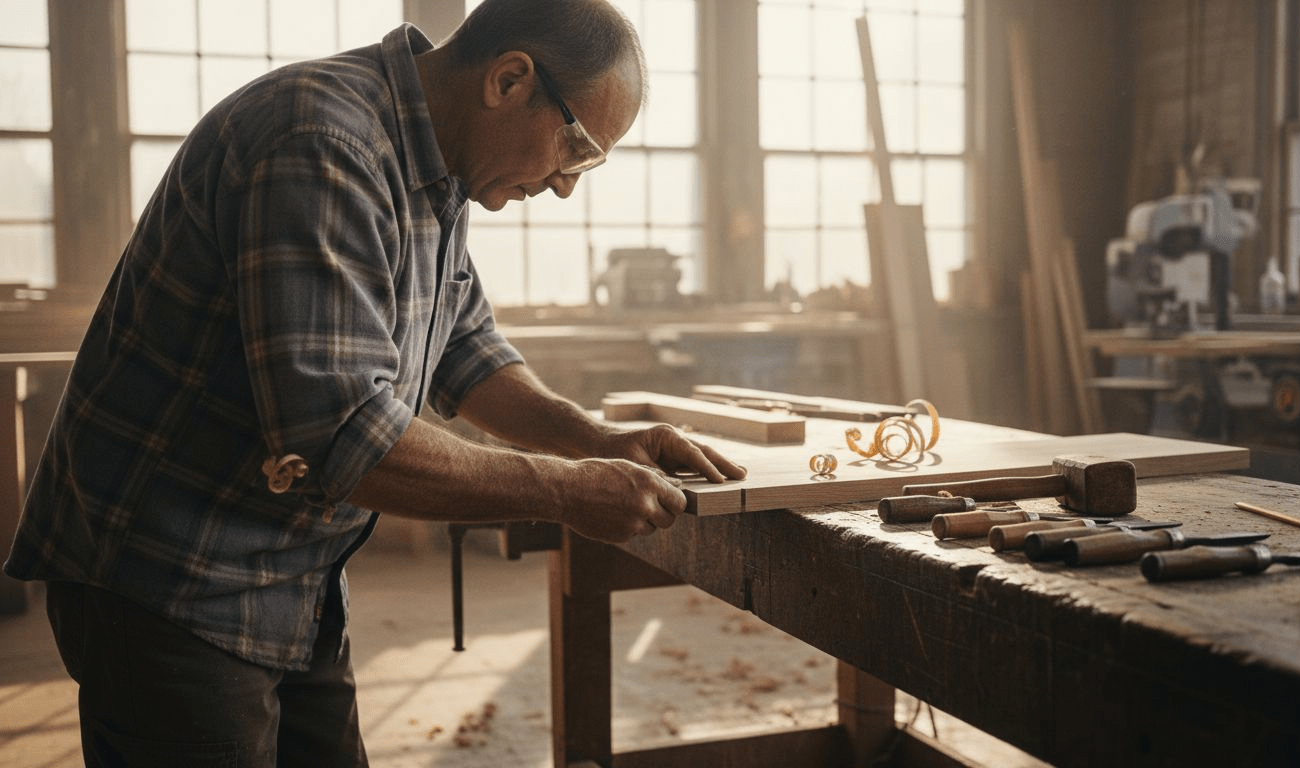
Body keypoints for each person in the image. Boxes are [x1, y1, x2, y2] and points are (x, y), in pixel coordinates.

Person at [3, 1, 746, 765]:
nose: (565, 184)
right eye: (577, 146)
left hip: (290, 574)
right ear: (509, 80)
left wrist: (596, 440)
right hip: (169, 574)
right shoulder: (320, 142)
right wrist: (563, 490)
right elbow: (342, 436)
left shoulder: (438, 166)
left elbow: (466, 349)